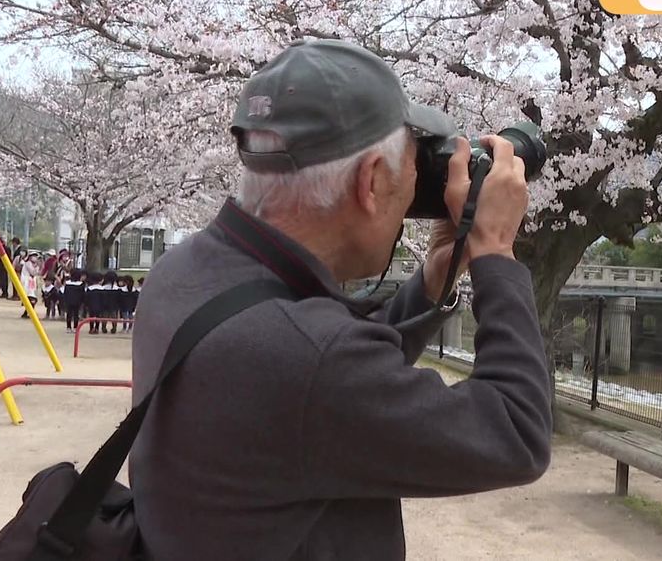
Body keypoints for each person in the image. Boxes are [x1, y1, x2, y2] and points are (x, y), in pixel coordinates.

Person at [129, 40, 551, 560]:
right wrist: (494, 252)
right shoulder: (306, 358)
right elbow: (516, 433)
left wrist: (434, 278)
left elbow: (336, 376)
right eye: (412, 169)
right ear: (371, 180)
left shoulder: (188, 269)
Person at [61, 269, 86, 334]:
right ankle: (75, 327)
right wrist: (82, 301)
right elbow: (82, 294)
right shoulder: (81, 284)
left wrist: (65, 300)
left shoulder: (68, 283)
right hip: (77, 302)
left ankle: (68, 327)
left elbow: (65, 293)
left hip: (69, 301)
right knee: (76, 314)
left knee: (69, 314)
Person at [19, 251, 42, 318]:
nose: (35, 258)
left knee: (31, 298)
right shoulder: (28, 263)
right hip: (27, 282)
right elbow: (33, 272)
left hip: (31, 283)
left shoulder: (33, 264)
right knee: (31, 298)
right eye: (33, 256)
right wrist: (37, 266)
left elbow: (37, 273)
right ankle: (29, 313)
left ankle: (27, 313)